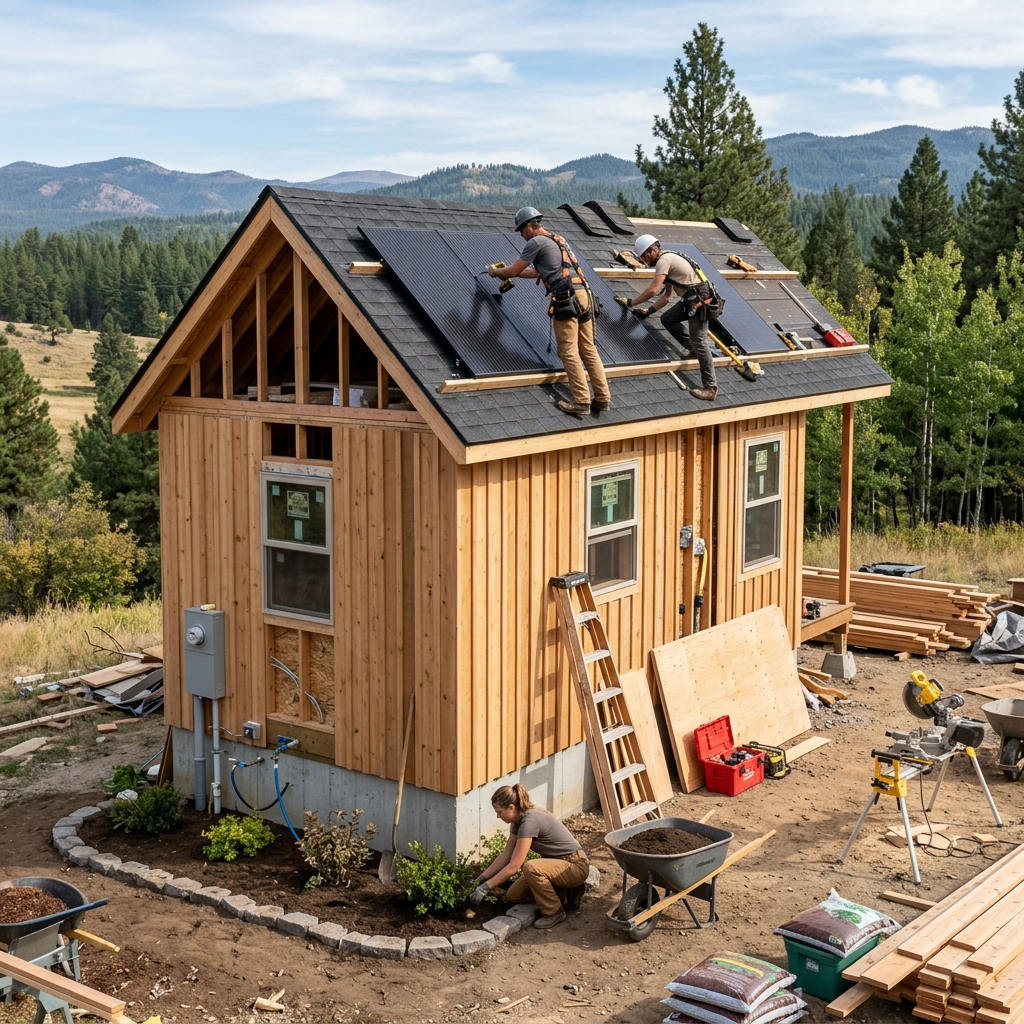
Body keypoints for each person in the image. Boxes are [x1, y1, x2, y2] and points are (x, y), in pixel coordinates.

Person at [489, 207, 612, 417]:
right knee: (588, 349)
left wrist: (496, 272)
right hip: (586, 295)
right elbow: (538, 271)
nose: (521, 235)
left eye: (521, 230)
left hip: (566, 297)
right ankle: (602, 398)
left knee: (568, 350)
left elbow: (513, 270)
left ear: (529, 225)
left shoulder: (535, 242)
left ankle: (581, 401)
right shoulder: (557, 239)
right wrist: (515, 275)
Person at [468, 783, 590, 930]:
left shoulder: (529, 821)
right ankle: (568, 890)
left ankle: (554, 912)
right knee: (514, 895)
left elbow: (514, 866)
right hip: (557, 866)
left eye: (499, 812)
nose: (497, 816)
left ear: (511, 807)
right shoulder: (517, 821)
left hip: (575, 866)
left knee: (531, 867)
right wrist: (482, 878)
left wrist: (485, 888)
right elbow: (506, 855)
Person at [615, 234, 719, 401]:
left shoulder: (664, 261)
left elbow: (652, 291)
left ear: (651, 251)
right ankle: (691, 349)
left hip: (700, 300)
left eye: (644, 256)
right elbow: (666, 297)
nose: (644, 261)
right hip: (691, 299)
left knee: (700, 341)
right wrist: (648, 311)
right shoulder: (668, 259)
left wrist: (631, 302)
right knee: (668, 319)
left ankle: (710, 388)